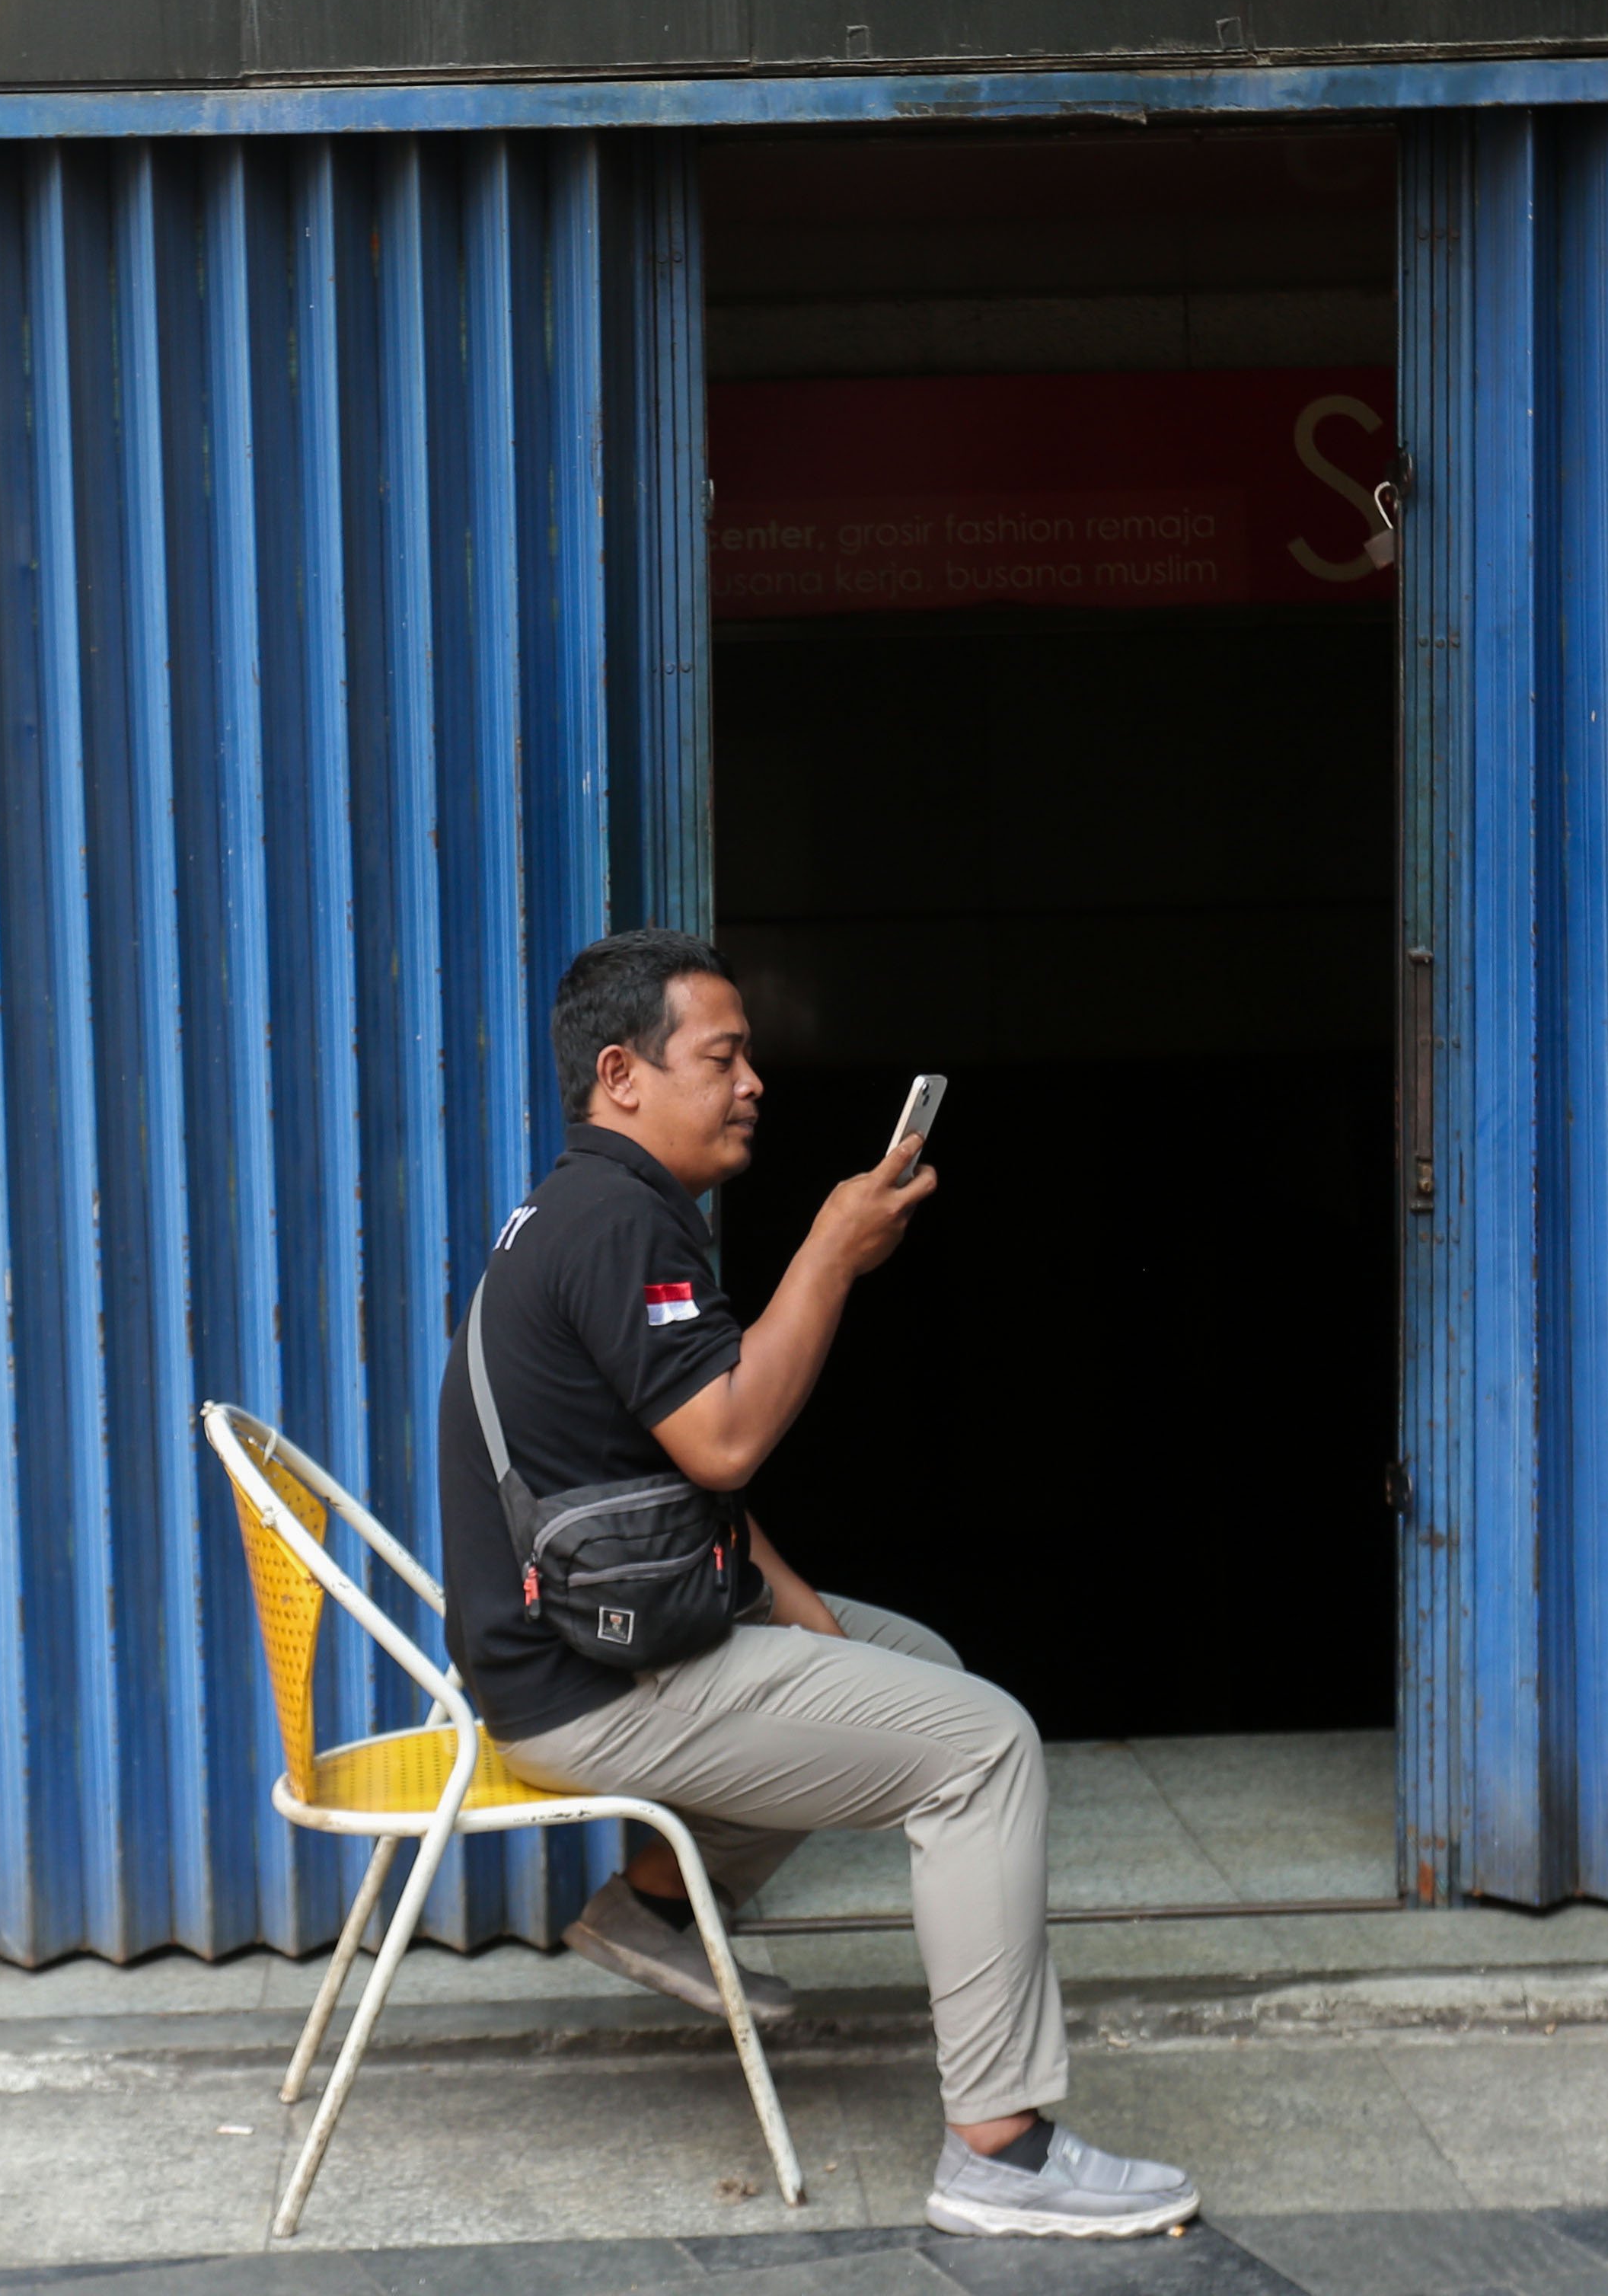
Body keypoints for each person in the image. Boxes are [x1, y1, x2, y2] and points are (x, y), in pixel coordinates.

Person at [436, 928, 1200, 2243]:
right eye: (721, 1058)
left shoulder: (590, 1206)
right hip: (591, 1685)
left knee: (923, 1673)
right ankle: (1000, 2152)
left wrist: (804, 1617)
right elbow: (728, 1435)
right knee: (985, 1748)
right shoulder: (620, 1224)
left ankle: (657, 1905)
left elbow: (687, 1490)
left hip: (599, 1638)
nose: (753, 1085)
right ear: (622, 1075)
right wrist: (828, 1256)